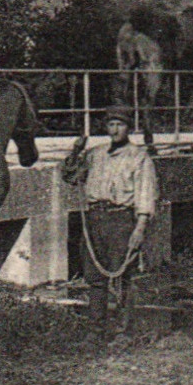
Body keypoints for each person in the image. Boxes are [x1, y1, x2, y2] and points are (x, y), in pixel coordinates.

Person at [62, 105, 159, 329]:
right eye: (111, 125)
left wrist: (140, 229)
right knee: (95, 277)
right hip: (95, 218)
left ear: (129, 128)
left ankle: (124, 330)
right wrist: (75, 152)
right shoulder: (96, 154)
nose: (114, 130)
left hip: (121, 220)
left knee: (123, 276)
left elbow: (146, 194)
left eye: (120, 125)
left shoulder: (139, 157)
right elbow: (71, 177)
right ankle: (96, 327)